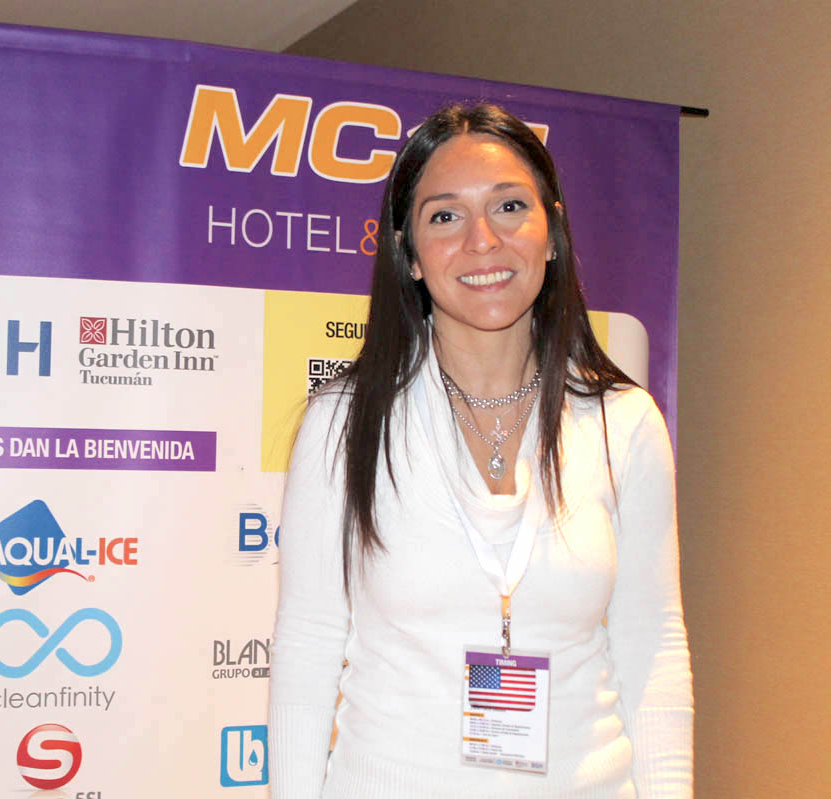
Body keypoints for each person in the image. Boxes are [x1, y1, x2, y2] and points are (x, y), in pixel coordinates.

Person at [268, 103, 692, 798]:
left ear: (552, 233)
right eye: (445, 216)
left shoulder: (624, 422)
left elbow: (654, 645)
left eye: (509, 206)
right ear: (408, 253)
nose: (483, 240)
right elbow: (309, 645)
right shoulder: (346, 422)